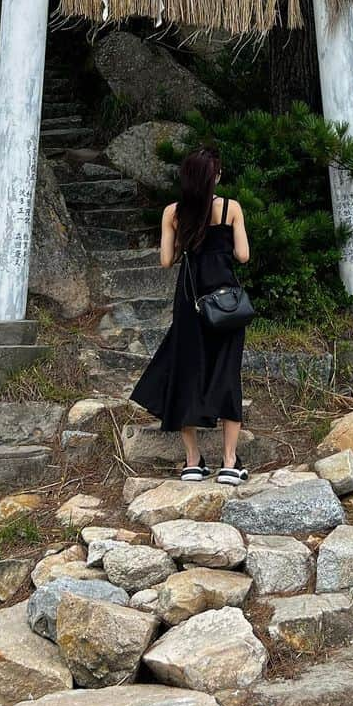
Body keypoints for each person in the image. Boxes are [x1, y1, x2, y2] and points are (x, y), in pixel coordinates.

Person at [130, 146, 251, 486]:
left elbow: (166, 261)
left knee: (186, 374)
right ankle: (229, 462)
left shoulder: (173, 212)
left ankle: (193, 462)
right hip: (224, 305)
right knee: (227, 375)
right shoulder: (231, 208)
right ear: (215, 177)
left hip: (190, 303)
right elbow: (242, 255)